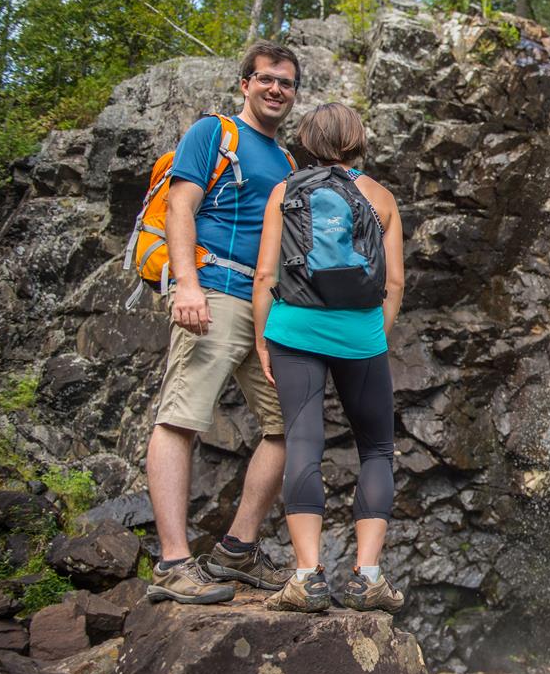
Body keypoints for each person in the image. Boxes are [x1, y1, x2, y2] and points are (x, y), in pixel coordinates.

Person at [144, 41, 301, 604]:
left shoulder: (286, 163)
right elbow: (180, 207)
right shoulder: (214, 133)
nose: (276, 89)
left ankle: (236, 550)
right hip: (211, 292)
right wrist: (186, 285)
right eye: (266, 79)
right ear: (245, 84)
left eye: (286, 83)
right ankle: (173, 562)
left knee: (291, 424)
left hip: (265, 309)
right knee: (182, 417)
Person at [252, 102, 406, 612]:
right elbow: (395, 283)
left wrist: (262, 338)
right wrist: (369, 335)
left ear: (307, 140)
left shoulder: (285, 190)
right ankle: (367, 576)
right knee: (378, 450)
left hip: (294, 329)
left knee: (302, 441)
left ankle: (307, 576)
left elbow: (265, 276)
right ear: (358, 140)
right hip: (361, 334)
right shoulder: (380, 196)